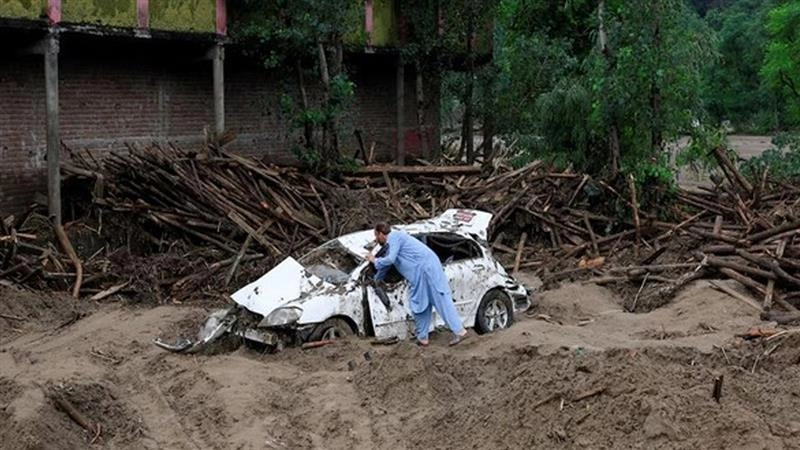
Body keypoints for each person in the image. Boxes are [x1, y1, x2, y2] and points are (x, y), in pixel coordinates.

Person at [366, 223, 469, 346]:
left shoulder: (394, 237)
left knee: (440, 299)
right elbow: (386, 264)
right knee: (419, 305)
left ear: (381, 234)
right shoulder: (391, 245)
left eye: (376, 236)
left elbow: (390, 259)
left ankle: (460, 332)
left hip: (427, 270)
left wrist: (374, 260)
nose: (376, 241)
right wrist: (376, 279)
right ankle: (422, 338)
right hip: (418, 275)